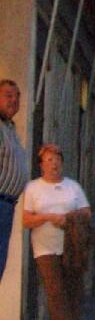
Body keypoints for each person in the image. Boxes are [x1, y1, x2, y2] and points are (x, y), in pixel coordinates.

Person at [23, 144, 92, 320]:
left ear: (62, 162)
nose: (54, 164)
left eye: (57, 159)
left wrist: (67, 219)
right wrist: (47, 217)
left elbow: (86, 213)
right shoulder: (33, 188)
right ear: (41, 165)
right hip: (45, 248)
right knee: (55, 293)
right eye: (49, 160)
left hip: (72, 247)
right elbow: (26, 220)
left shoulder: (73, 187)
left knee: (73, 291)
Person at [0, 79, 29, 284]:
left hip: (7, 205)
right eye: (8, 96)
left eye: (17, 96)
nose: (14, 100)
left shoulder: (9, 128)